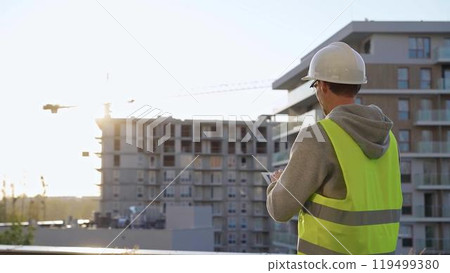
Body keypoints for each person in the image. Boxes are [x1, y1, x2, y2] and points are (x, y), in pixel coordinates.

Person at [266, 42, 402, 255]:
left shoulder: (317, 137)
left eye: (314, 86)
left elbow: (280, 209)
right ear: (357, 85)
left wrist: (277, 185)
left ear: (322, 85)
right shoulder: (388, 137)